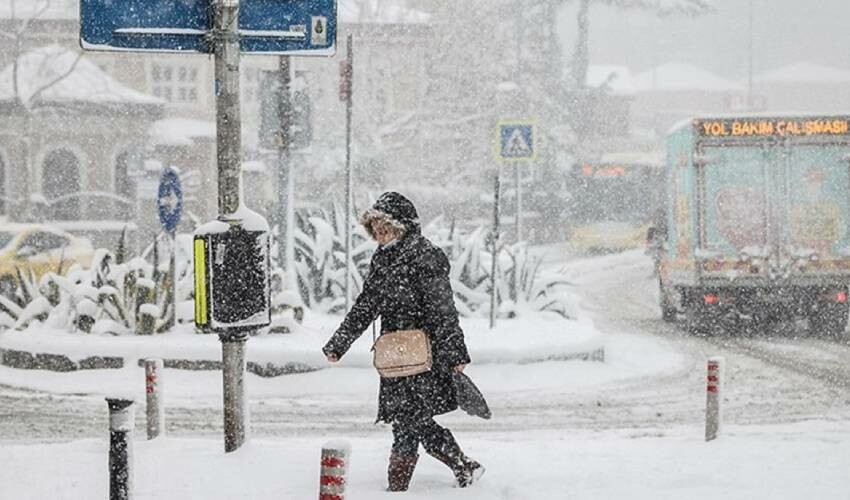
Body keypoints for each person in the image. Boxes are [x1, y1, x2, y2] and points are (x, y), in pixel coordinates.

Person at [322, 192, 484, 492]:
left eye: (386, 225)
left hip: (426, 353)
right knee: (409, 419)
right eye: (376, 226)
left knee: (410, 420)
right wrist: (339, 343)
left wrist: (455, 351)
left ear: (403, 226)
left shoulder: (426, 256)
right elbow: (366, 305)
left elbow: (443, 309)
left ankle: (399, 487)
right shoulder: (382, 259)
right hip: (395, 355)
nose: (380, 232)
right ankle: (461, 465)